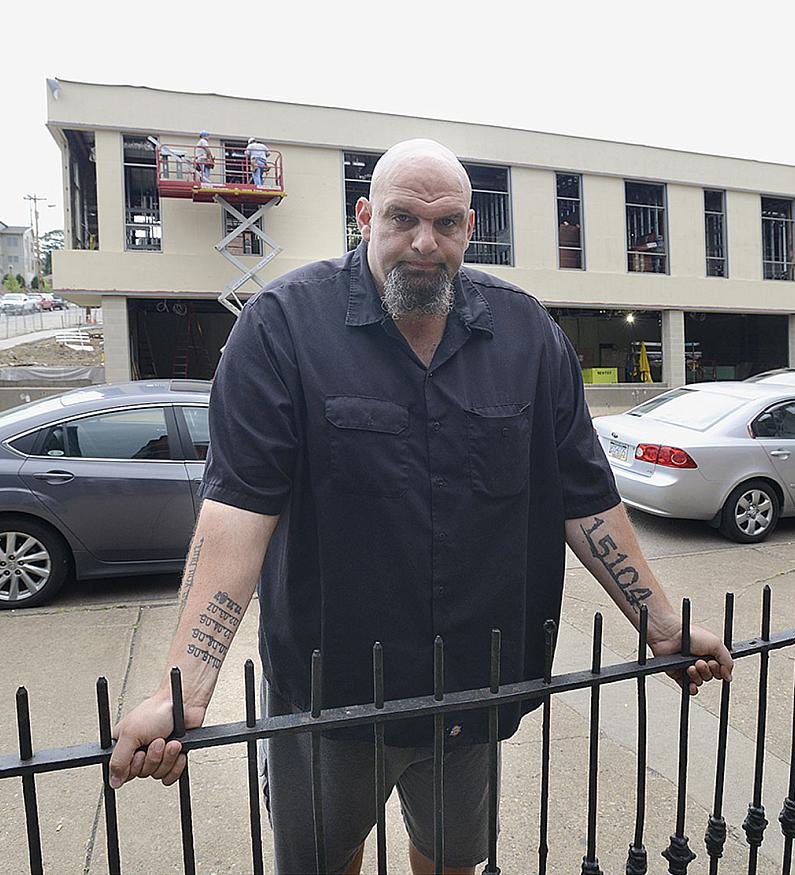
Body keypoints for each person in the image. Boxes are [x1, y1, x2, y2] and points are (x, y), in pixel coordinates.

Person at [108, 138, 732, 875]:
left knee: (449, 860)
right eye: (403, 218)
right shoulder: (280, 328)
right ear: (366, 216)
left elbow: (585, 501)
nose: (423, 243)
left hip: (471, 689)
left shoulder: (528, 336)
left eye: (447, 223)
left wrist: (661, 626)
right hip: (328, 697)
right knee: (323, 861)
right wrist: (184, 687)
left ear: (470, 228)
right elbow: (237, 516)